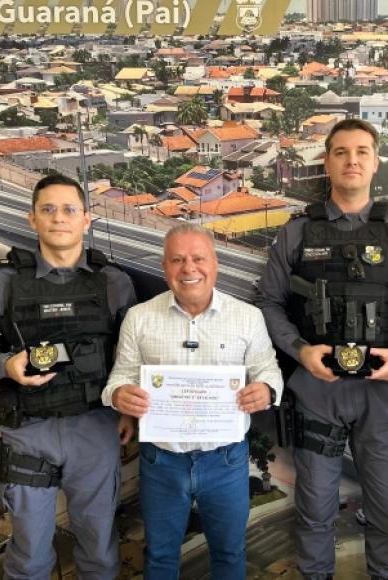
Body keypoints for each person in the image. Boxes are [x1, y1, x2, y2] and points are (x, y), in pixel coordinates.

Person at [256, 118, 388, 579]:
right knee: (314, 511)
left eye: (362, 151)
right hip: (317, 391)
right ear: (327, 162)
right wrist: (300, 351)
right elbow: (269, 302)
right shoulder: (297, 233)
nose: (352, 160)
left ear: (375, 163)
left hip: (383, 393)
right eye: (341, 152)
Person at [0, 173, 137, 580]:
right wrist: (6, 365)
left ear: (86, 220)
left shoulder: (114, 281)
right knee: (30, 557)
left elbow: (133, 352)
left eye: (69, 209)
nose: (58, 218)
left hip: (95, 428)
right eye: (48, 209)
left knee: (100, 550)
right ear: (32, 218)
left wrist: (129, 410)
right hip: (28, 432)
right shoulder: (4, 281)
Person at [103, 223, 283, 580]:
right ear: (164, 267)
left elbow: (269, 370)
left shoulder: (247, 317)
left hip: (226, 461)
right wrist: (120, 394)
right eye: (177, 260)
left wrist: (266, 389)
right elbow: (119, 377)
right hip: (161, 462)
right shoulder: (139, 318)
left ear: (215, 264)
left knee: (229, 553)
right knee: (160, 557)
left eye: (198, 258)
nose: (189, 268)